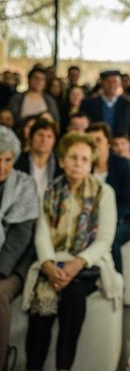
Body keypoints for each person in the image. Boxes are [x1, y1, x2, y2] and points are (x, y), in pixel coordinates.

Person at [23, 132, 118, 371]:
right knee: (41, 300)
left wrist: (77, 263)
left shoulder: (103, 192)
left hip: (87, 264)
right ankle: (34, 366)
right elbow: (42, 233)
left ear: (91, 164)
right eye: (73, 157)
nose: (78, 162)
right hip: (54, 262)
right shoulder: (51, 192)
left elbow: (105, 239)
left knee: (73, 297)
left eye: (84, 159)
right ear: (63, 160)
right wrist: (47, 264)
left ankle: (63, 367)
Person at [0, 126, 39, 368]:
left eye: (8, 159)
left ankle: (2, 360)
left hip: (13, 264)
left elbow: (20, 237)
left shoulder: (24, 184)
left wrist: (1, 269)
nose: (3, 165)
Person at [87, 123, 130, 274]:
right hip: (90, 220)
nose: (94, 145)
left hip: (123, 220)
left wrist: (103, 221)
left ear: (108, 143)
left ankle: (117, 287)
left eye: (98, 140)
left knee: (111, 237)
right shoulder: (86, 166)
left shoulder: (122, 165)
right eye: (90, 141)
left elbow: (128, 203)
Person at [80, 70, 130, 144]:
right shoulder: (88, 103)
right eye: (108, 82)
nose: (112, 85)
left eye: (115, 82)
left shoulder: (128, 105)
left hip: (120, 147)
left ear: (120, 84)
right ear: (102, 83)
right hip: (95, 144)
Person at [14, 118, 62, 199]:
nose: (44, 140)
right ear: (31, 138)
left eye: (49, 136)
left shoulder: (60, 165)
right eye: (40, 135)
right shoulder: (17, 162)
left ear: (54, 142)